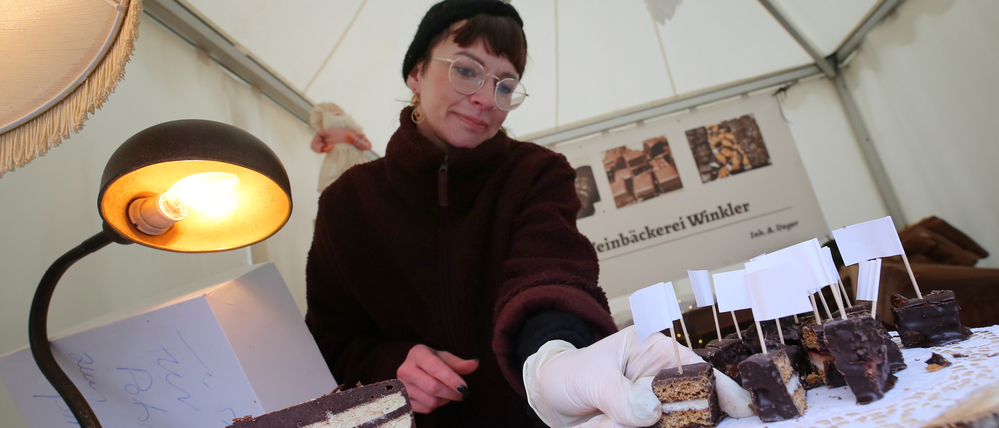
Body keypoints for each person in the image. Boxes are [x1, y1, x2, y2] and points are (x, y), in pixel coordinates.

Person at [304, 1, 752, 426]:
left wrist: (555, 358)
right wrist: (389, 367)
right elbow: (330, 339)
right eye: (466, 71)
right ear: (416, 72)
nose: (487, 98)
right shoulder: (346, 203)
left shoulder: (536, 173)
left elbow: (549, 277)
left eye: (505, 85)